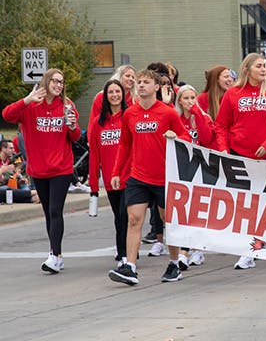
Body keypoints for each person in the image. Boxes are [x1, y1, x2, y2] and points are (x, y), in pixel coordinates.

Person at [108, 68, 191, 286]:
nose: (141, 85)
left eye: (146, 82)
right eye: (139, 82)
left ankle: (174, 263)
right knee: (134, 219)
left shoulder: (168, 112)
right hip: (138, 176)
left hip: (164, 177)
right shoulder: (130, 114)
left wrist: (176, 136)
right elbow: (125, 144)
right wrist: (117, 171)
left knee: (168, 221)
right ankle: (130, 267)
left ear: (156, 87)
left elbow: (186, 137)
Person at [215, 53, 266, 270]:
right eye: (259, 66)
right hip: (241, 156)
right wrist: (223, 149)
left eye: (265, 65)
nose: (263, 69)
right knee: (246, 206)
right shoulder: (232, 94)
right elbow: (221, 126)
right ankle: (249, 250)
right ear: (247, 69)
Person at [2, 69, 81, 273]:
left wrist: (72, 125)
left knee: (55, 210)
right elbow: (7, 114)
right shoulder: (31, 106)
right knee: (48, 212)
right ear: (46, 82)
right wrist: (27, 99)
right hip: (38, 169)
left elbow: (75, 136)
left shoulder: (66, 105)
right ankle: (57, 254)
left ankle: (54, 255)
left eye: (61, 82)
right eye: (55, 81)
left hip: (61, 168)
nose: (59, 85)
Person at [89, 79, 131, 263]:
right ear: (105, 97)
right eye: (111, 92)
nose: (114, 95)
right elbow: (94, 155)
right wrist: (93, 186)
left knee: (125, 215)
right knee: (118, 217)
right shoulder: (98, 123)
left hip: (129, 176)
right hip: (109, 178)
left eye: (118, 91)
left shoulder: (130, 116)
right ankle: (127, 249)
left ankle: (124, 254)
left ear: (123, 94)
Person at [174, 84, 216, 266]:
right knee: (185, 212)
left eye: (193, 98)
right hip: (182, 170)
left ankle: (196, 250)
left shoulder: (203, 117)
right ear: (180, 101)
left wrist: (198, 115)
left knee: (199, 211)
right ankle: (187, 249)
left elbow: (206, 139)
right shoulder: (175, 118)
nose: (190, 102)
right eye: (186, 98)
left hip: (202, 170)